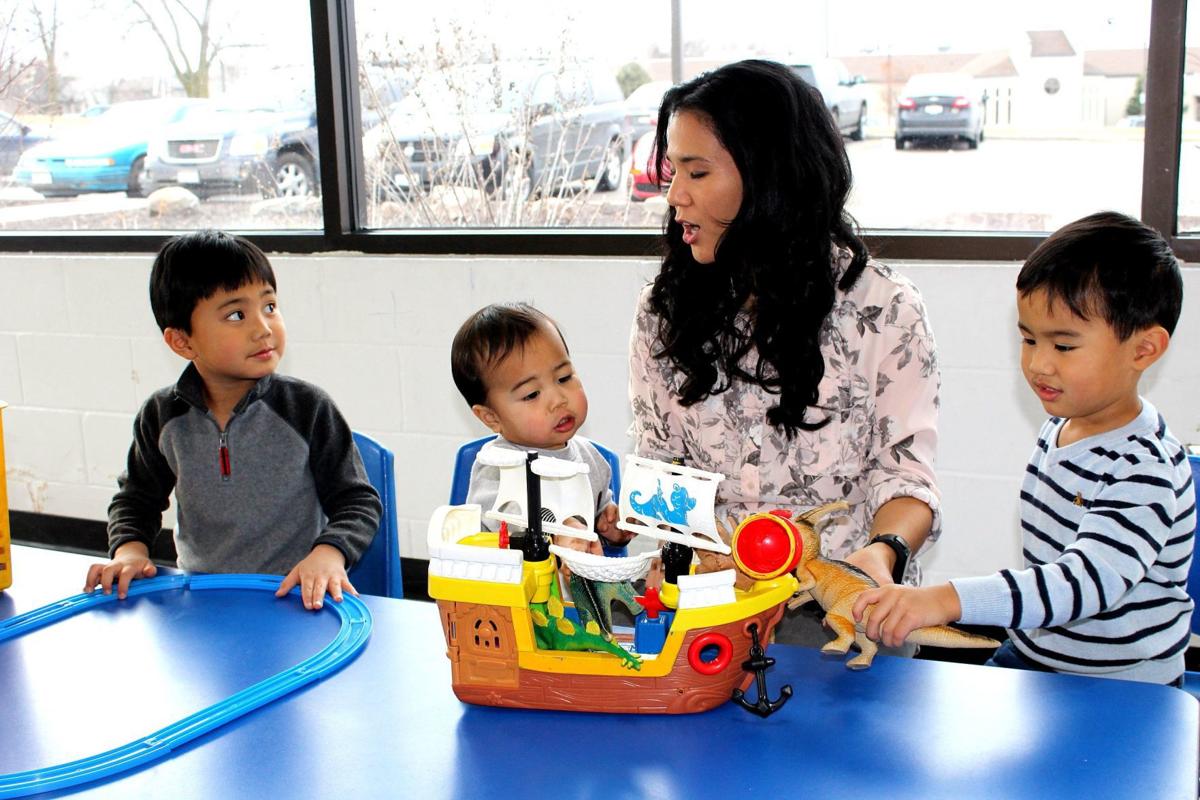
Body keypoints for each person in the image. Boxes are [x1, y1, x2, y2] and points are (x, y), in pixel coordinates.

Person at [628, 59, 941, 646]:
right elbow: (659, 465)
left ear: (770, 178)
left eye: (697, 172)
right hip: (710, 598)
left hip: (841, 607)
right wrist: (688, 553)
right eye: (673, 171)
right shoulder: (664, 312)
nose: (674, 196)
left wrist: (884, 552)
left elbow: (906, 478)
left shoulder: (884, 310)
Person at [854, 211, 1193, 685]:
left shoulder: (1144, 467)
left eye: (1064, 346)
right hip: (1037, 657)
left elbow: (1081, 583)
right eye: (1029, 339)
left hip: (1126, 686)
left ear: (1144, 349)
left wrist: (946, 598)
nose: (1038, 364)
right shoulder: (1060, 428)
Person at [83, 230, 382, 611]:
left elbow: (357, 501)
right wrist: (129, 551)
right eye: (237, 315)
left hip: (293, 597)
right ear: (182, 342)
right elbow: (136, 500)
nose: (263, 327)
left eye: (270, 306)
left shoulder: (307, 408)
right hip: (202, 602)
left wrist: (329, 552)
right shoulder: (161, 417)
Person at [451, 302, 633, 562]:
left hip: (579, 598)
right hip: (518, 597)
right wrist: (555, 534)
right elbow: (501, 531)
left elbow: (594, 522)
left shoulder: (591, 459)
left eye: (564, 377)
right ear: (491, 417)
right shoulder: (496, 468)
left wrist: (609, 528)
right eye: (532, 394)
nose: (558, 399)